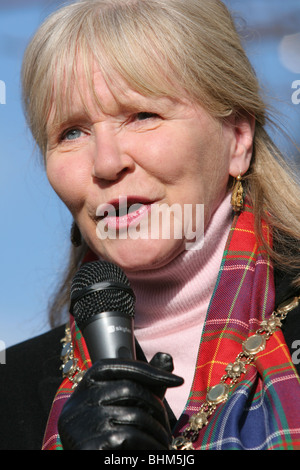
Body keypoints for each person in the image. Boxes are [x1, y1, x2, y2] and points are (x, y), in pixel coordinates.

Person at [1, 0, 300, 451]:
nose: (106, 163)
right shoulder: (11, 393)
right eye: (72, 132)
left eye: (142, 116)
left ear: (237, 138)